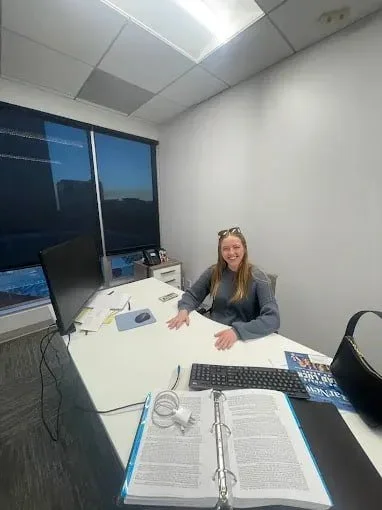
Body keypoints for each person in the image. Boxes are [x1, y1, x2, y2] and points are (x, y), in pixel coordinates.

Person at [167, 227, 280, 350]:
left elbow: (272, 319)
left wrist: (237, 332)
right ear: (220, 252)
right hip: (214, 332)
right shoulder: (214, 272)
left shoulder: (259, 277)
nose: (231, 253)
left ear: (244, 248)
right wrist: (184, 310)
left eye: (236, 247)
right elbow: (193, 295)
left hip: (242, 339)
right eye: (225, 249)